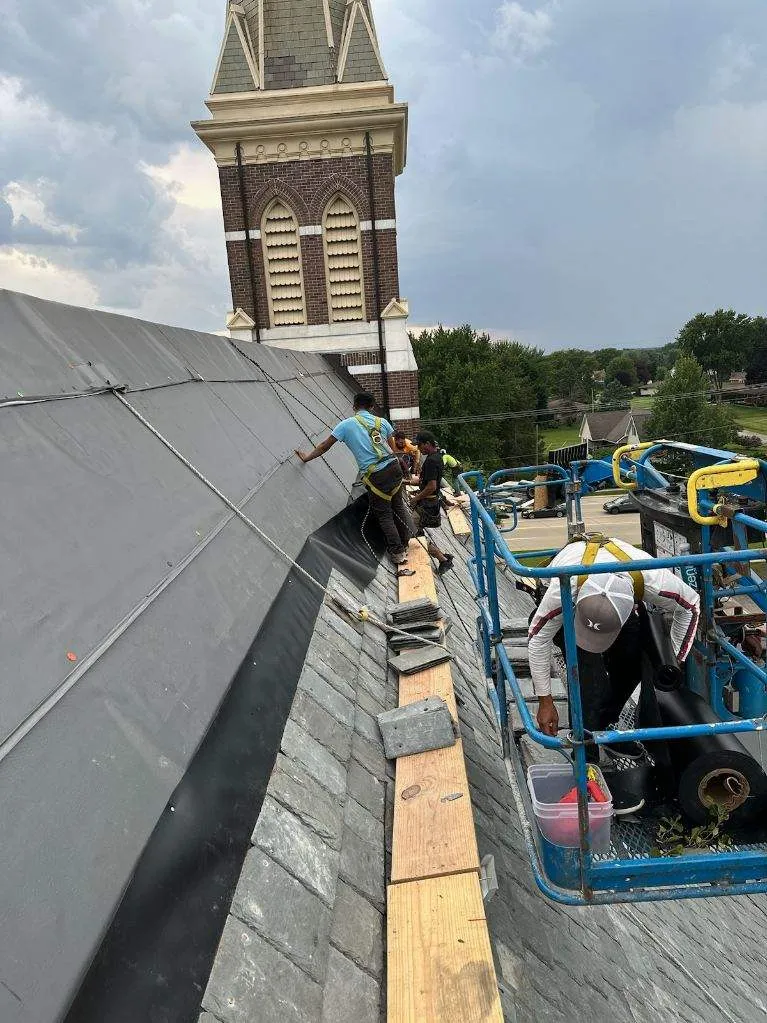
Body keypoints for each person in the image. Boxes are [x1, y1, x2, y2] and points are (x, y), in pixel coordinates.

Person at [528, 534, 700, 744]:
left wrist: (674, 660)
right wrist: (545, 701)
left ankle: (605, 721)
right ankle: (585, 749)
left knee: (633, 661)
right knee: (589, 683)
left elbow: (691, 605)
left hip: (617, 601)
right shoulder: (562, 588)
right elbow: (539, 638)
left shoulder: (652, 578)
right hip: (572, 607)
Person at [295, 393, 413, 564]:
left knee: (384, 514)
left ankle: (398, 552)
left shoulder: (346, 425)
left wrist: (307, 457)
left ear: (354, 406)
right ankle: (407, 539)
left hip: (377, 475)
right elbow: (393, 449)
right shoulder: (382, 422)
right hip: (394, 468)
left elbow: (324, 446)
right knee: (398, 505)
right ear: (372, 407)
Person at [409, 431, 455, 576]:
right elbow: (426, 482)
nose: (419, 449)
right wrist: (406, 482)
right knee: (417, 533)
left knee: (411, 532)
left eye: (420, 445)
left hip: (427, 505)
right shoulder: (437, 457)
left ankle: (443, 560)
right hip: (430, 502)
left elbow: (432, 486)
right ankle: (442, 557)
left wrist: (416, 498)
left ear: (427, 443)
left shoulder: (431, 461)